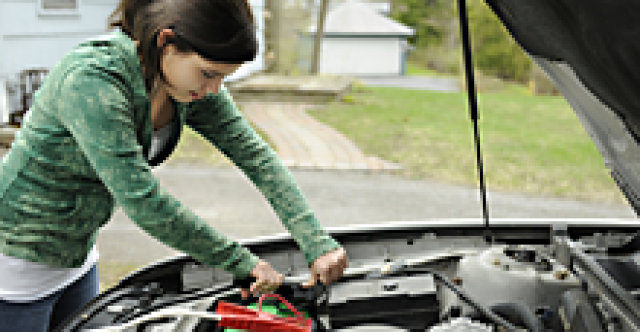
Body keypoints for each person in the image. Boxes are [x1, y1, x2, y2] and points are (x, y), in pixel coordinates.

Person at [0, 0, 348, 330]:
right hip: (15, 263)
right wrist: (242, 263)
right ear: (166, 41)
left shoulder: (183, 85)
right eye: (208, 73)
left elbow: (255, 157)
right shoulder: (93, 81)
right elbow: (144, 202)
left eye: (222, 78)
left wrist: (316, 242)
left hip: (78, 256)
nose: (214, 90)